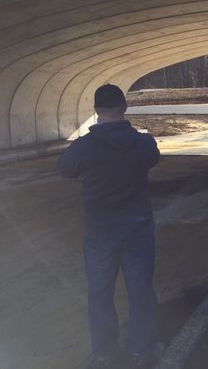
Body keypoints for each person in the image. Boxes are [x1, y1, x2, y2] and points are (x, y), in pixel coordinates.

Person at [58, 84, 160, 368]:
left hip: (99, 232)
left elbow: (64, 169)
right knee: (140, 290)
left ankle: (104, 352)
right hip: (137, 229)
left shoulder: (84, 146)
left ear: (96, 110)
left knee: (100, 292)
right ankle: (142, 349)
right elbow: (153, 159)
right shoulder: (144, 143)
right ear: (124, 107)